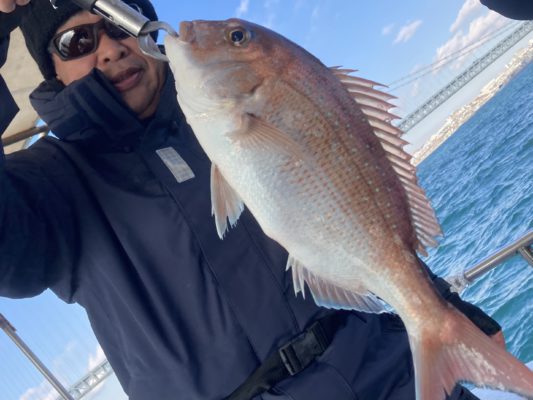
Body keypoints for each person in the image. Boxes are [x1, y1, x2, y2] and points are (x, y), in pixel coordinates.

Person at [0, 1, 506, 399]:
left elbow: (359, 207)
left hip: (387, 367)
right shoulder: (49, 182)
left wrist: (451, 313)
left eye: (117, 24)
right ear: (53, 70)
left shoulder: (225, 108)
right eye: (77, 42)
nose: (110, 50)